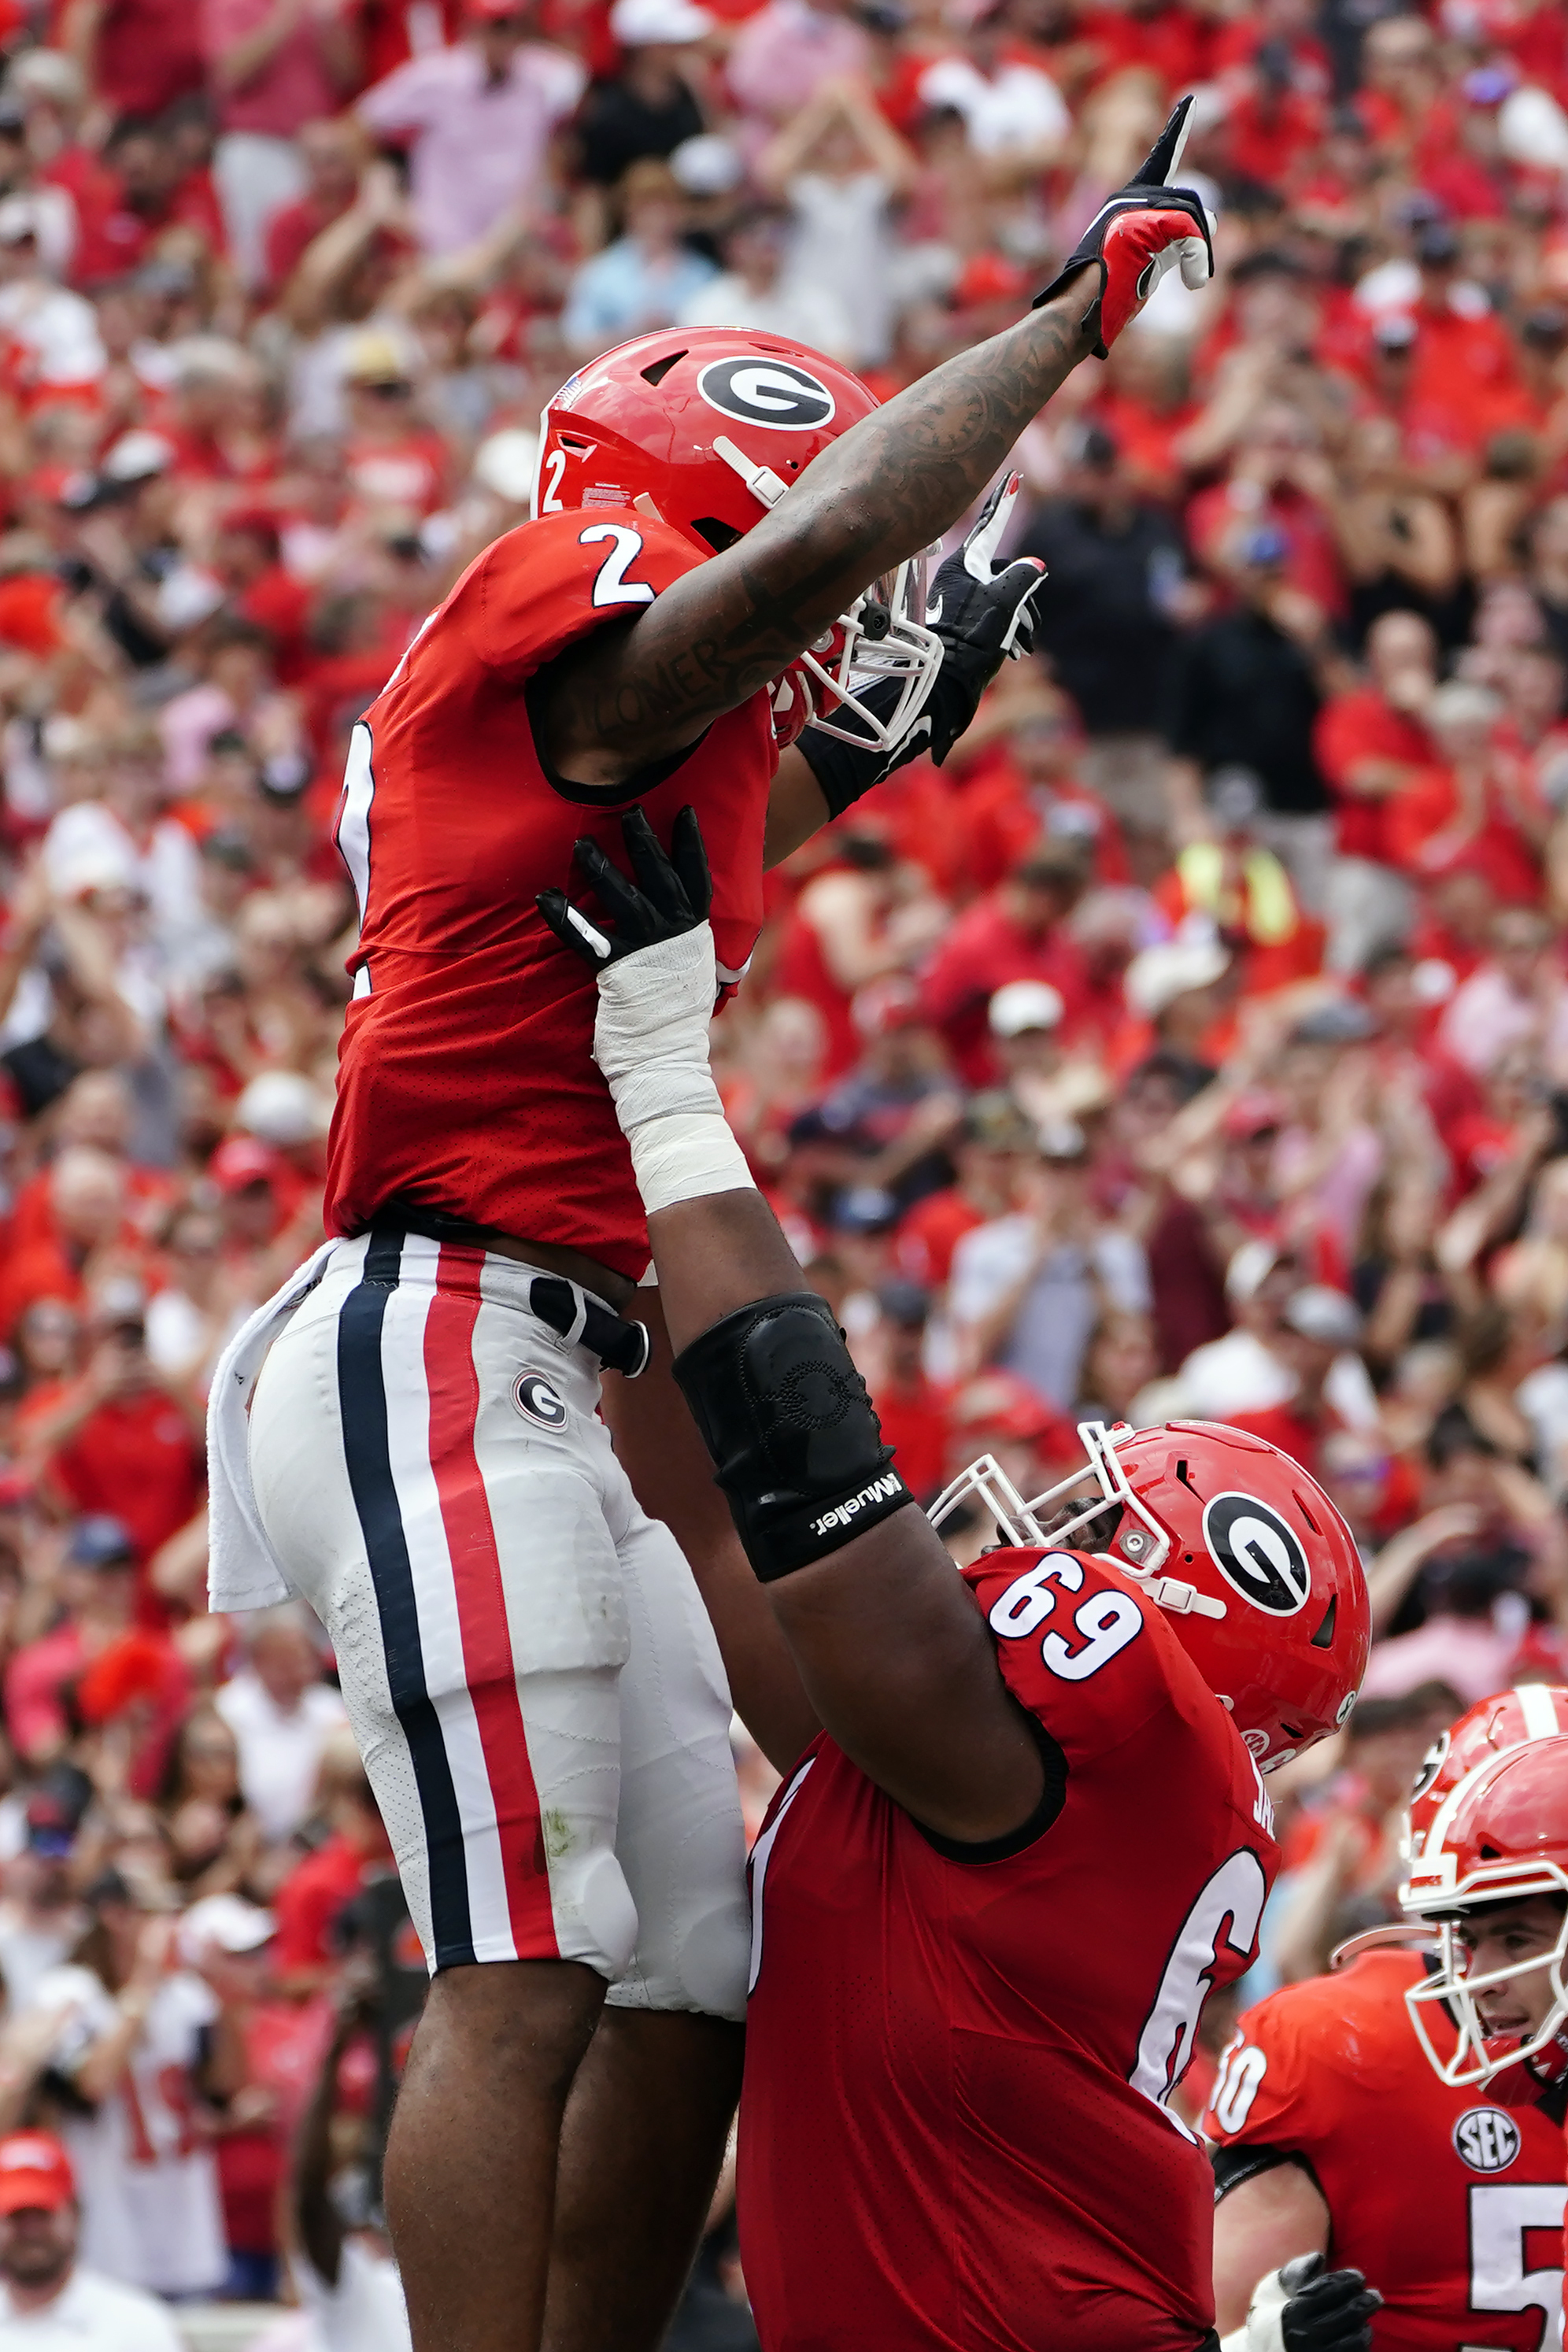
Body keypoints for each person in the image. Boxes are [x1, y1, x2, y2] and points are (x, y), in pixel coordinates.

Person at [220, 109, 1223, 2352]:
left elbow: (693, 776)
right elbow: (775, 586)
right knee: (526, 1959)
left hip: (551, 1359)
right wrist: (1064, 325)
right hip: (437, 1332)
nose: (828, 625)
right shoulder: (543, 608)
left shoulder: (604, 745)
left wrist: (879, 751)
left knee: (696, 1948)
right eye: (783, 558)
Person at [534, 800, 1377, 2352]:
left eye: (1100, 1536)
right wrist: (591, 1125)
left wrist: (662, 1083)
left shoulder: (1113, 1741)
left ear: (1165, 1614)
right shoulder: (962, 1805)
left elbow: (802, 1477)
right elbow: (713, 1519)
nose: (1047, 1544)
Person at [1205, 1684, 1568, 2350]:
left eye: (1518, 1939)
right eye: (1466, 1932)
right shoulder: (1338, 2047)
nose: (1483, 1982)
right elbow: (1217, 2327)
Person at [0, 2132, 181, 2351]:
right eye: (15, 2216)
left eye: (42, 2215)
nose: (30, 2231)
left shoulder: (137, 2326)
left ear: (75, 2214)